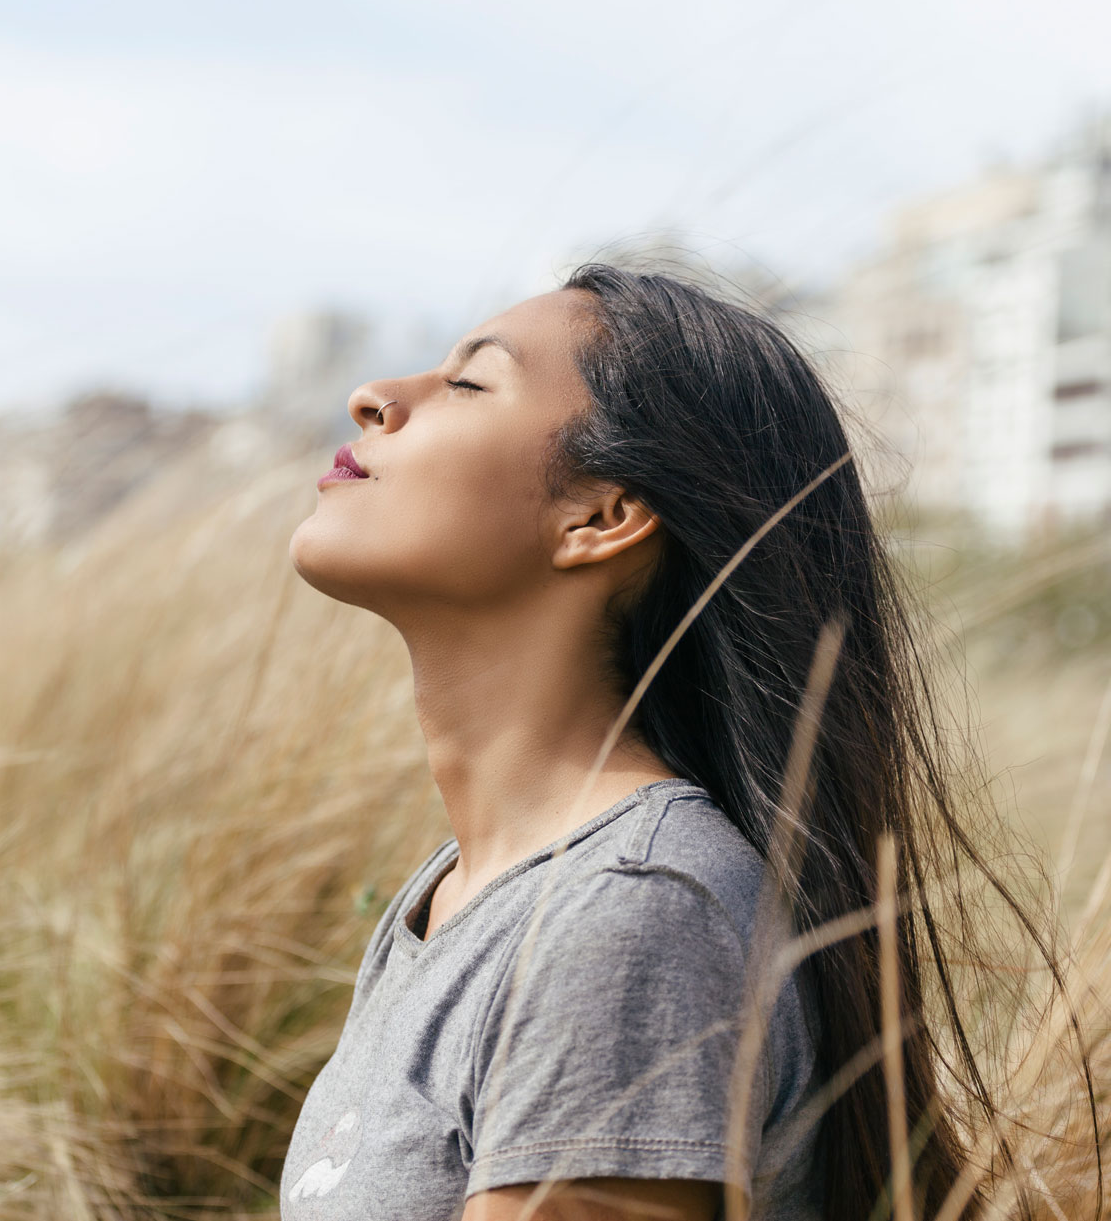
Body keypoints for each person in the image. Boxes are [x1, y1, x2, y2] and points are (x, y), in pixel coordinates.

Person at [280, 263, 1098, 1221]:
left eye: (469, 382)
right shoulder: (458, 897)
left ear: (601, 515)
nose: (374, 397)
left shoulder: (626, 916)